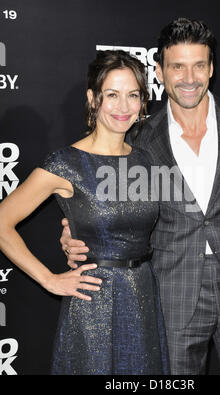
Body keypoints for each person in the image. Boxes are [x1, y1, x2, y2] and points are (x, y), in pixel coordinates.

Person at [61, 18, 220, 375]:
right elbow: (105, 202)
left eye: (199, 65)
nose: (189, 78)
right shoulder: (137, 137)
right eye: (178, 67)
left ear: (211, 68)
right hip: (172, 290)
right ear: (160, 71)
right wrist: (72, 231)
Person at [0, 50, 170, 375]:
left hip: (145, 297)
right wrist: (49, 279)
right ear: (93, 99)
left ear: (143, 101)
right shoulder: (66, 164)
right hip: (94, 303)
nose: (123, 106)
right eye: (112, 95)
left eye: (133, 95)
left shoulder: (148, 161)